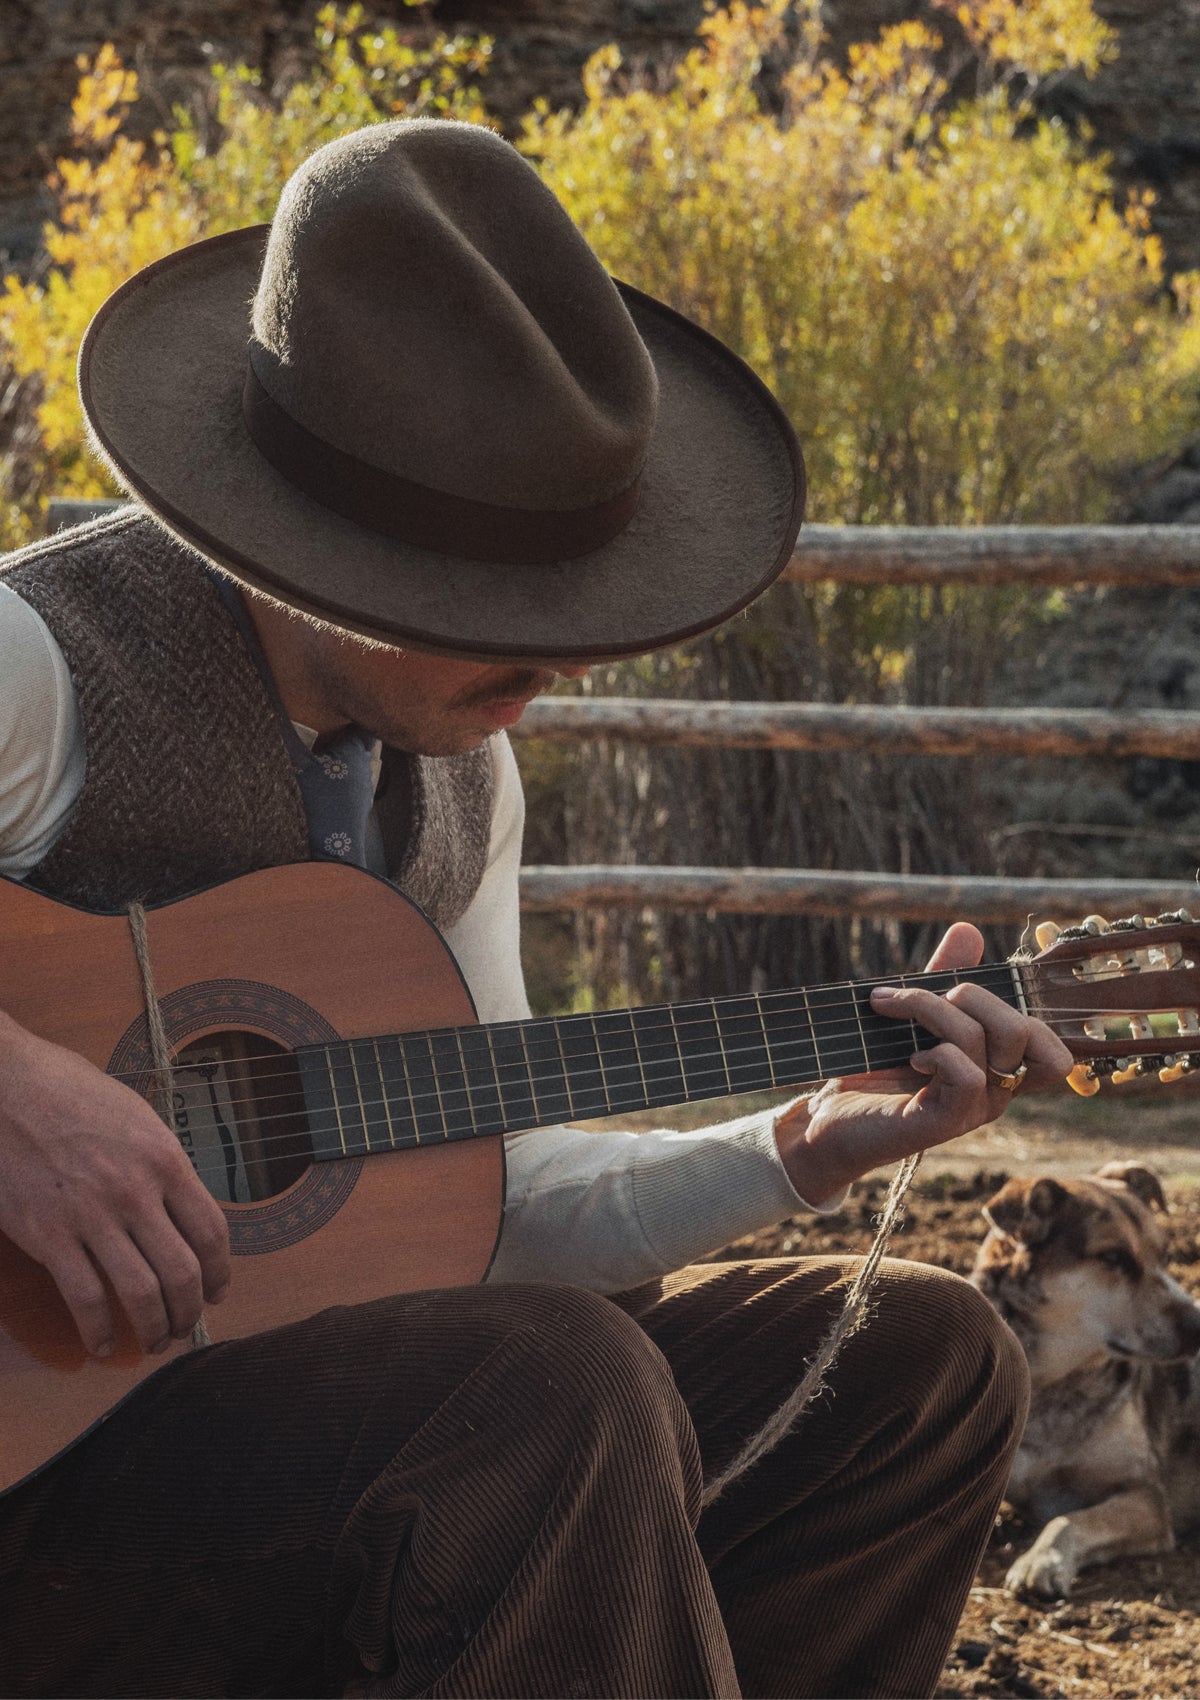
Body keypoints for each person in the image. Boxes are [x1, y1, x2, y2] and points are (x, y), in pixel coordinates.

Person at [0, 118, 1071, 1699]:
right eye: (486, 605)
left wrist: (799, 1147)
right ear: (308, 545)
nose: (549, 664)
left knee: (919, 1359)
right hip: (51, 1498)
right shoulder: (41, 662)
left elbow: (494, 1201)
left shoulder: (465, 776)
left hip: (291, 1434)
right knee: (544, 1394)